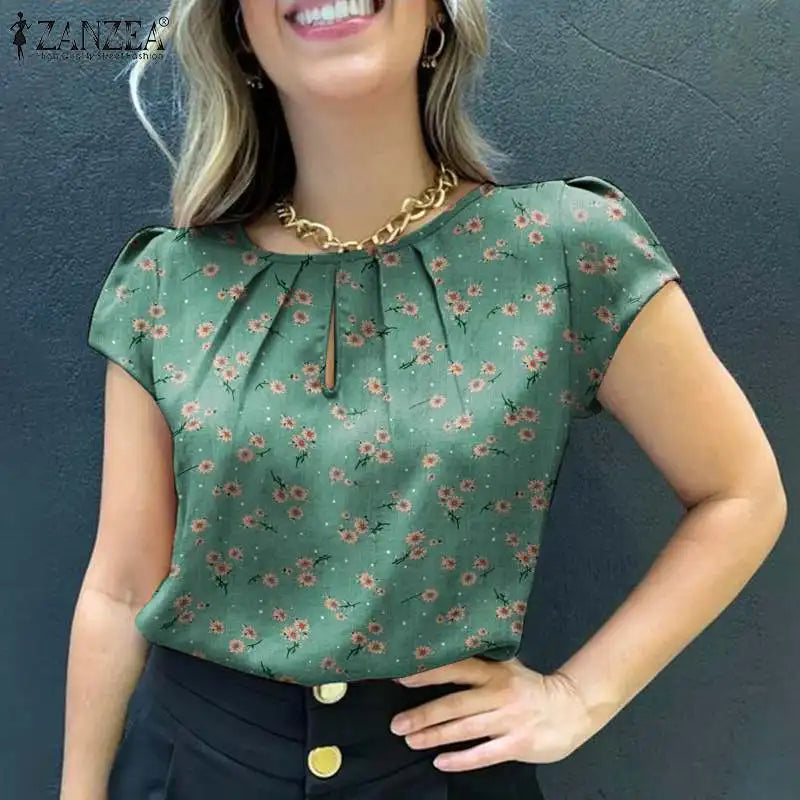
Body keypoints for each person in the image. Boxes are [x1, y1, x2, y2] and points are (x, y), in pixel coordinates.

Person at [60, 1, 788, 798]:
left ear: (439, 15)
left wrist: (581, 696)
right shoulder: (169, 283)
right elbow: (119, 588)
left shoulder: (565, 252)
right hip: (191, 771)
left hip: (443, 771)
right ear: (240, 32)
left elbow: (742, 492)